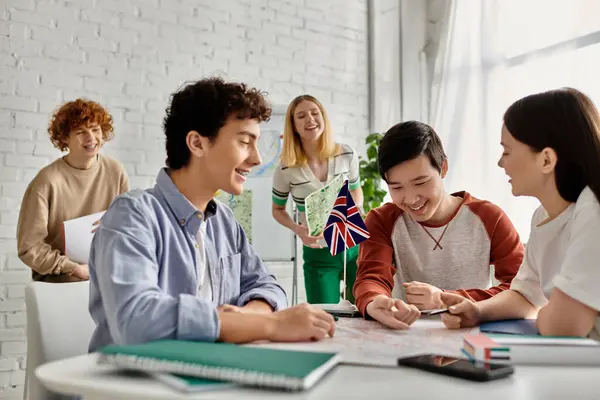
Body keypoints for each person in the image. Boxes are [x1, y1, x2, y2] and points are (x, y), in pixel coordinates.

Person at [88, 78, 336, 351]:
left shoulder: (224, 222)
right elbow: (136, 321)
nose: (257, 159)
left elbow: (266, 284)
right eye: (245, 142)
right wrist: (270, 325)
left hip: (206, 377)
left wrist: (243, 318)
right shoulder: (132, 215)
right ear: (197, 143)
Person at [440, 88, 600, 340]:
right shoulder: (542, 215)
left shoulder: (593, 211)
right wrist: (477, 311)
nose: (500, 163)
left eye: (507, 151)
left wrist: (554, 313)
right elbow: (526, 296)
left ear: (546, 160)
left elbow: (562, 325)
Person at [353, 121, 524, 330]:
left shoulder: (489, 217)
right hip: (405, 335)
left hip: (469, 338)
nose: (411, 198)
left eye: (420, 182)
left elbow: (521, 289)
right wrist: (374, 302)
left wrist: (446, 299)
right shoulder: (381, 220)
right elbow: (371, 277)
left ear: (443, 168)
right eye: (396, 187)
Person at [17, 99, 129, 283]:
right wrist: (74, 269)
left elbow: (128, 228)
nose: (91, 138)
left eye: (95, 129)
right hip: (61, 283)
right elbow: (30, 248)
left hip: (106, 277)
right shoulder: (46, 181)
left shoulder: (115, 171)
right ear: (65, 138)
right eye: (80, 132)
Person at [271, 95, 364, 304]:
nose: (310, 119)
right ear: (293, 126)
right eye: (301, 116)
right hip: (318, 251)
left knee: (363, 312)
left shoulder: (347, 154)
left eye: (315, 113)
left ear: (323, 117)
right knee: (325, 317)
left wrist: (348, 209)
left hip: (354, 246)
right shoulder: (285, 168)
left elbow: (358, 193)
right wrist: (298, 229)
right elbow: (277, 210)